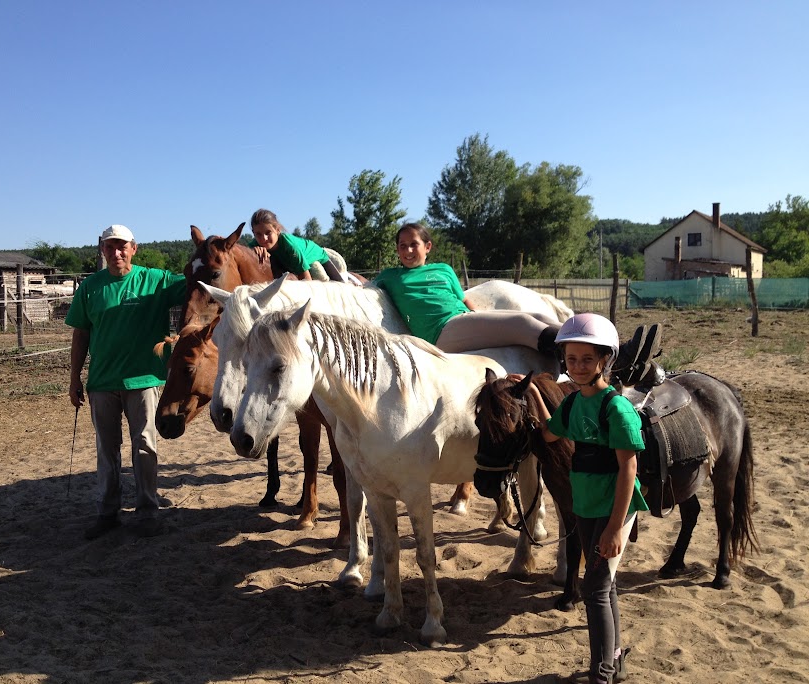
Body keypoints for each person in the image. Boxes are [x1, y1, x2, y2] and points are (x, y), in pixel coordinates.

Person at [510, 312, 653, 684]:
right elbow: (549, 432)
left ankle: (602, 672)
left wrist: (616, 529)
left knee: (594, 588)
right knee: (605, 586)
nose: (578, 366)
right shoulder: (573, 404)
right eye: (571, 359)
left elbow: (628, 469)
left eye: (587, 359)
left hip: (611, 507)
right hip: (584, 506)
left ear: (605, 360)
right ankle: (616, 660)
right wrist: (531, 393)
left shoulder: (616, 408)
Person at [66, 224, 186, 540]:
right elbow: (81, 334)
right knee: (107, 449)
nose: (116, 252)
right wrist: (74, 377)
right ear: (102, 250)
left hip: (143, 380)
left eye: (122, 247)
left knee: (145, 445)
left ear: (134, 248)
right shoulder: (91, 288)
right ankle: (108, 513)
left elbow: (198, 281)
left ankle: (147, 511)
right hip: (102, 382)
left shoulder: (156, 281)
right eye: (110, 247)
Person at [371, 222, 564, 358]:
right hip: (440, 331)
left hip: (462, 320)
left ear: (427, 246)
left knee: (540, 317)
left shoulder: (443, 270)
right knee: (522, 323)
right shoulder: (391, 276)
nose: (408, 251)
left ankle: (580, 346)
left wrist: (476, 316)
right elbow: (362, 283)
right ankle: (574, 357)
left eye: (414, 244)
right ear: (397, 250)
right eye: (402, 246)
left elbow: (463, 299)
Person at [249, 208, 347, 282]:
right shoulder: (255, 245)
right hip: (291, 265)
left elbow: (307, 280)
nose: (263, 238)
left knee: (342, 287)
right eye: (258, 234)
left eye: (268, 232)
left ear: (278, 230)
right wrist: (253, 251)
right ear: (253, 233)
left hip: (316, 255)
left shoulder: (290, 247)